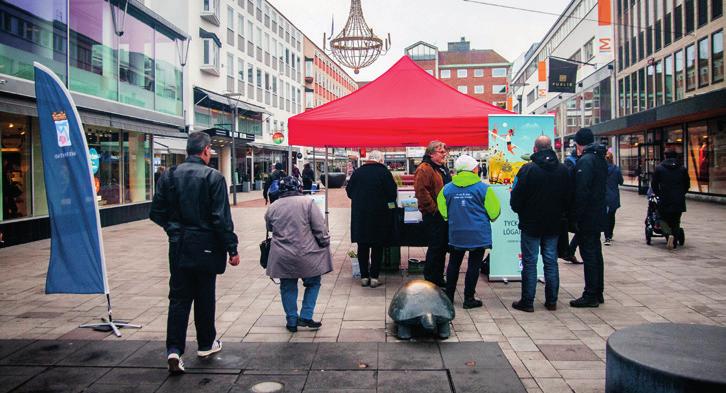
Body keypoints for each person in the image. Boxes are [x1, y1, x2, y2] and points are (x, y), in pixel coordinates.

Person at [149, 131, 240, 374]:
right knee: (204, 296)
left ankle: (174, 350)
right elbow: (221, 219)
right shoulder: (214, 177)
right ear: (206, 150)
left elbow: (156, 212)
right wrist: (232, 248)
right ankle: (205, 343)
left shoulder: (168, 176)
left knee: (178, 298)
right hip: (206, 246)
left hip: (179, 246)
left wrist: (173, 229)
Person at [510, 136, 570, 312]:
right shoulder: (563, 170)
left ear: (535, 149)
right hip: (553, 223)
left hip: (531, 223)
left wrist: (520, 211)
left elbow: (517, 197)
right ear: (550, 147)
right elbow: (569, 197)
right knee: (551, 261)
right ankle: (551, 301)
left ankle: (527, 301)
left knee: (529, 261)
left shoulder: (528, 170)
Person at [265, 176, 333, 332]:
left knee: (287, 286)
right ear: (299, 188)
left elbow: (270, 227)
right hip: (307, 253)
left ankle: (291, 321)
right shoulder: (308, 203)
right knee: (313, 282)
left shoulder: (273, 206)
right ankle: (306, 316)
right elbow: (319, 228)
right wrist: (325, 241)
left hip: (282, 255)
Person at [437, 155, 500, 308]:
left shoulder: (447, 189)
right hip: (478, 234)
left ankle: (449, 297)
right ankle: (469, 298)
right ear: (474, 169)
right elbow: (494, 212)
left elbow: (442, 209)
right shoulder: (484, 189)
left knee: (453, 264)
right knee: (473, 266)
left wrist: (450, 217)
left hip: (456, 233)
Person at [346, 150, 398, 288]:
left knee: (362, 246)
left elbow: (349, 191)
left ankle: (364, 277)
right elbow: (392, 194)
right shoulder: (384, 173)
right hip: (379, 216)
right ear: (380, 160)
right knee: (377, 246)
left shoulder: (357, 172)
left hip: (360, 215)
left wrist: (359, 200)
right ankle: (374, 277)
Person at [569, 128, 607, 308]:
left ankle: (590, 294)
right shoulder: (600, 158)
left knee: (589, 254)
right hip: (598, 212)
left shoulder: (586, 160)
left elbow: (581, 191)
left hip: (588, 215)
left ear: (578, 143)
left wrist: (575, 216)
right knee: (595, 253)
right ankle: (597, 291)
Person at [414, 140, 451, 287]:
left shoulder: (441, 168)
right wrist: (434, 209)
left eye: (444, 152)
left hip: (444, 214)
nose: (444, 154)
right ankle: (430, 278)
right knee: (435, 247)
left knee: (441, 247)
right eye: (441, 152)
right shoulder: (425, 168)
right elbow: (421, 192)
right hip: (434, 215)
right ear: (431, 153)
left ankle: (438, 277)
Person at [651, 150, 690, 250]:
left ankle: (668, 235)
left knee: (661, 218)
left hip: (665, 198)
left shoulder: (659, 168)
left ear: (665, 156)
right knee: (676, 220)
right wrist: (681, 193)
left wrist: (659, 194)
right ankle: (675, 240)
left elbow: (654, 184)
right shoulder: (682, 168)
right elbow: (687, 184)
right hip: (678, 200)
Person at [558, 148, 581, 264]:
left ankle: (568, 252)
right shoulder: (572, 165)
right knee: (580, 229)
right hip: (571, 205)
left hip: (568, 205)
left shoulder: (567, 165)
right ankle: (569, 252)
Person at [603, 151, 624, 245]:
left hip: (603, 196)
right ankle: (610, 234)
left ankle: (607, 235)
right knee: (611, 216)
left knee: (605, 216)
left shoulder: (601, 169)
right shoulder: (616, 169)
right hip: (614, 196)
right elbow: (621, 181)